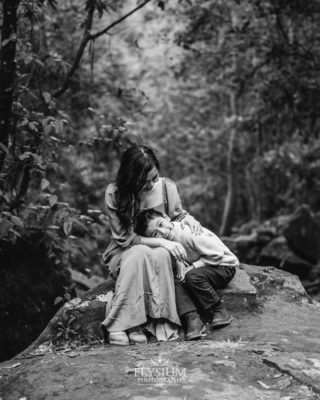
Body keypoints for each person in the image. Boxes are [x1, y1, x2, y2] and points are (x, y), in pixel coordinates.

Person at [100, 144, 205, 345]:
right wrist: (162, 242)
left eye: (154, 178)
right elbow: (125, 239)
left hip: (159, 253)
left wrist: (189, 219)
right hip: (124, 253)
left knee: (162, 255)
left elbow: (178, 214)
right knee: (139, 252)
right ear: (131, 179)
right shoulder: (115, 193)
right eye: (143, 181)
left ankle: (154, 320)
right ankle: (123, 323)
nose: (151, 185)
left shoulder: (167, 187)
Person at [135, 210, 239, 328]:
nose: (163, 232)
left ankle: (218, 309)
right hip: (203, 267)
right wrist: (180, 263)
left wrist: (192, 267)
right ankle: (192, 318)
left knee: (192, 277)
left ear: (166, 217)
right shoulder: (167, 240)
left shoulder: (188, 233)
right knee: (175, 280)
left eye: (160, 224)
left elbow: (217, 254)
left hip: (222, 266)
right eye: (155, 234)